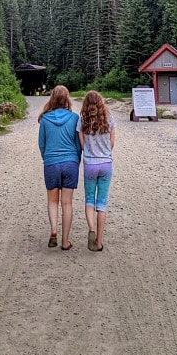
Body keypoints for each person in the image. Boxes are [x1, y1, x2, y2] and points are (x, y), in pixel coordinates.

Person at [37, 85, 81, 250]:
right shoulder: (74, 118)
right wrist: (76, 160)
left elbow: (42, 144)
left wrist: (47, 158)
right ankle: (65, 241)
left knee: (52, 201)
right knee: (67, 203)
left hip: (51, 163)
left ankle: (54, 230)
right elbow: (78, 145)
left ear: (52, 98)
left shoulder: (45, 119)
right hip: (70, 163)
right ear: (67, 98)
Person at [77, 90, 116, 252]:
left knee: (89, 200)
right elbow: (112, 144)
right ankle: (99, 242)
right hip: (106, 164)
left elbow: (82, 145)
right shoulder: (109, 118)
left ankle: (91, 229)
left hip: (90, 165)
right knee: (102, 204)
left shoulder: (82, 120)